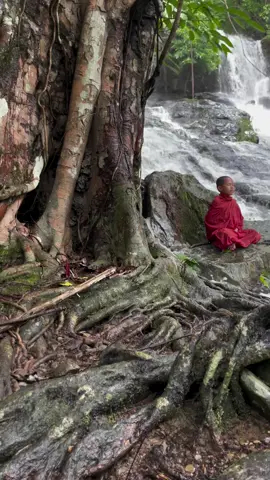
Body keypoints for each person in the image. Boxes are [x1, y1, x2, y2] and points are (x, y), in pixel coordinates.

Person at [205, 176, 261, 251]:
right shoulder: (217, 201)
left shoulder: (233, 202)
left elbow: (239, 218)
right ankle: (231, 242)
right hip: (222, 232)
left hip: (234, 232)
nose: (232, 187)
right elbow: (210, 222)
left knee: (254, 233)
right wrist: (225, 229)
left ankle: (233, 242)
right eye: (229, 185)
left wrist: (237, 228)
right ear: (220, 188)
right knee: (224, 233)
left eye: (233, 185)